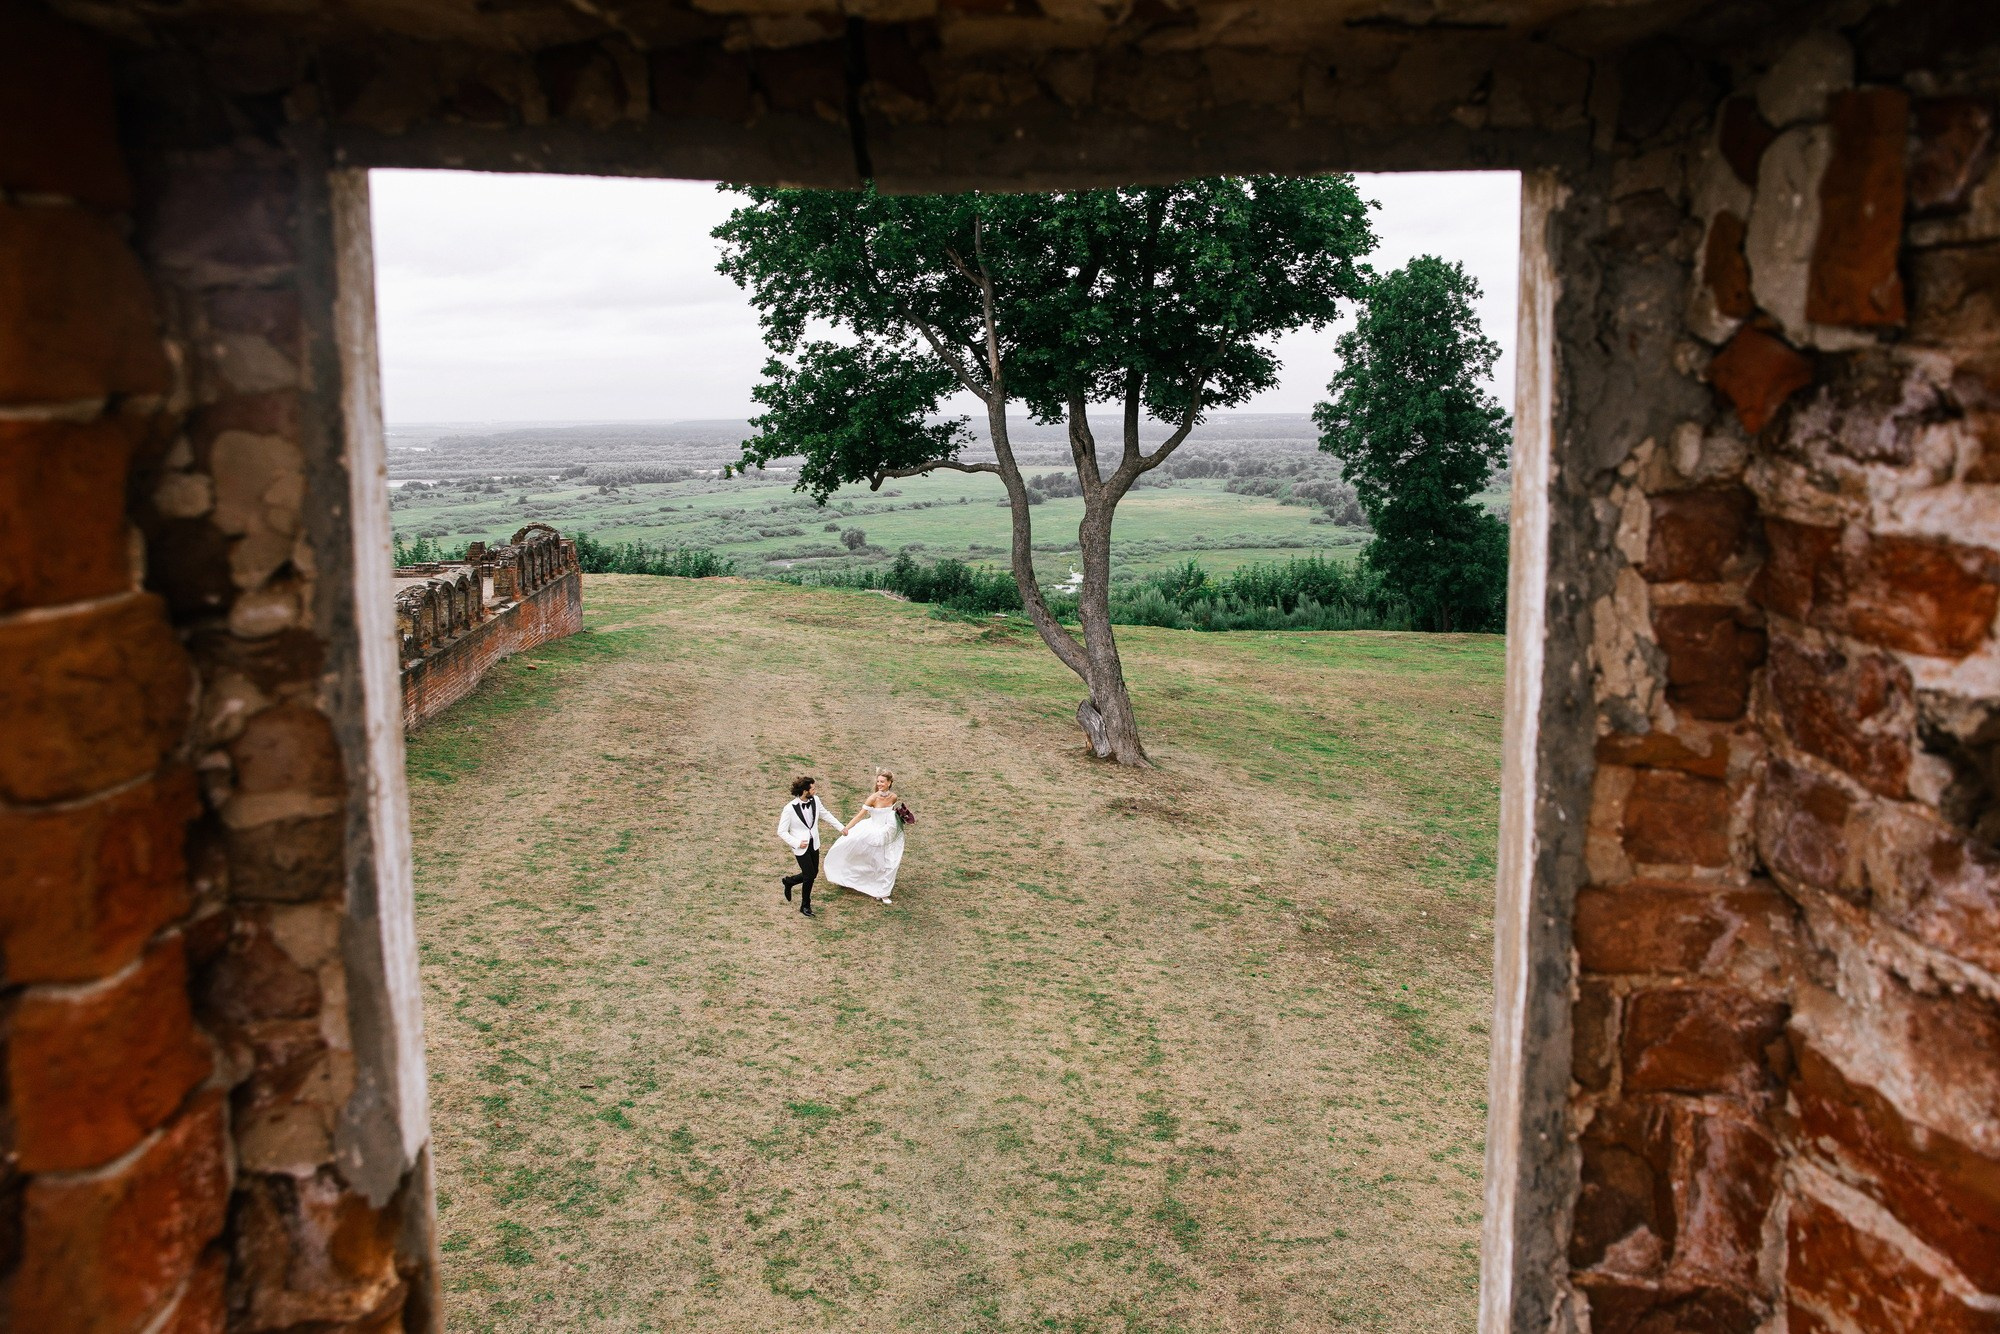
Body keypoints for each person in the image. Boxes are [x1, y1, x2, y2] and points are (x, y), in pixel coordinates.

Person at [822, 770, 906, 905]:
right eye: (878, 781)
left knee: (890, 862)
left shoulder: (894, 797)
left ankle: (883, 892)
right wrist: (846, 828)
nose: (879, 784)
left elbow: (891, 814)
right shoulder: (873, 798)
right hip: (872, 832)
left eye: (882, 782)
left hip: (888, 832)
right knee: (875, 861)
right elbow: (859, 815)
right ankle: (852, 878)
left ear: (889, 783)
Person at [776, 775, 842, 918]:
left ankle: (789, 881)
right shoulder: (789, 809)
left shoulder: (816, 801)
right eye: (812, 788)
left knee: (813, 873)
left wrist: (841, 828)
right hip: (800, 846)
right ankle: (805, 905)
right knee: (809, 876)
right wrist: (796, 843)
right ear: (805, 791)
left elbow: (826, 815)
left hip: (814, 843)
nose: (815, 790)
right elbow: (781, 831)